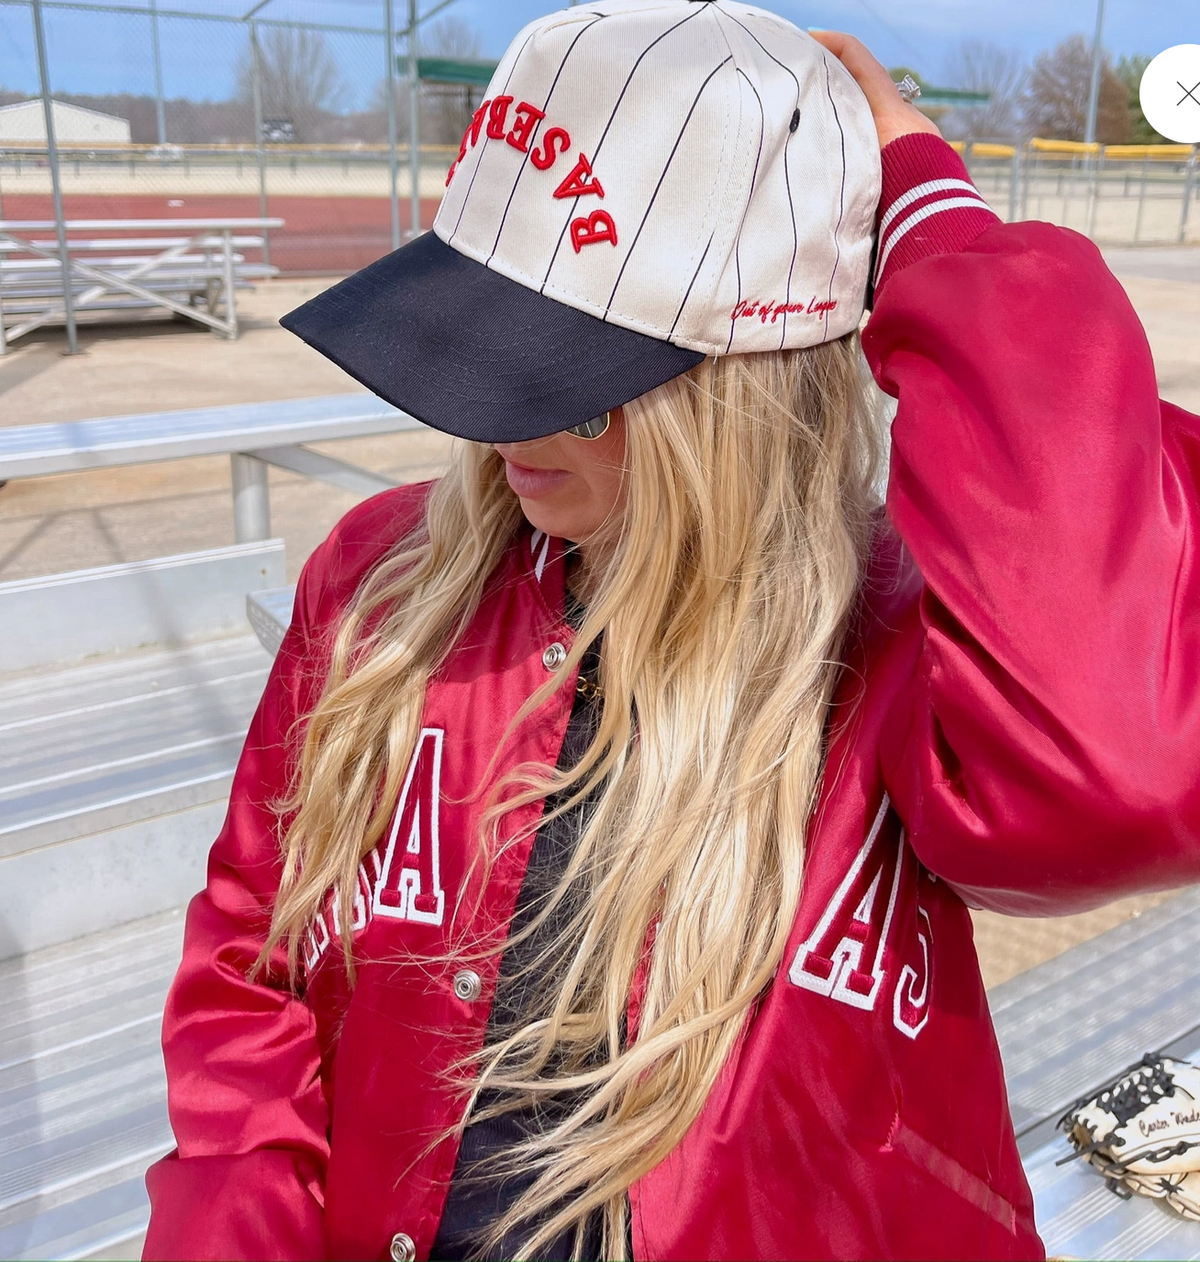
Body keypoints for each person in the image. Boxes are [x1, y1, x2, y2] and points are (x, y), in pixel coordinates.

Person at [142, 3, 1200, 1260]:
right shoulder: (382, 575)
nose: (506, 426)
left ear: (752, 392)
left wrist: (938, 233)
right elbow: (250, 955)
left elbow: (1122, 771)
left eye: (572, 374)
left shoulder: (893, 638)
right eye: (483, 336)